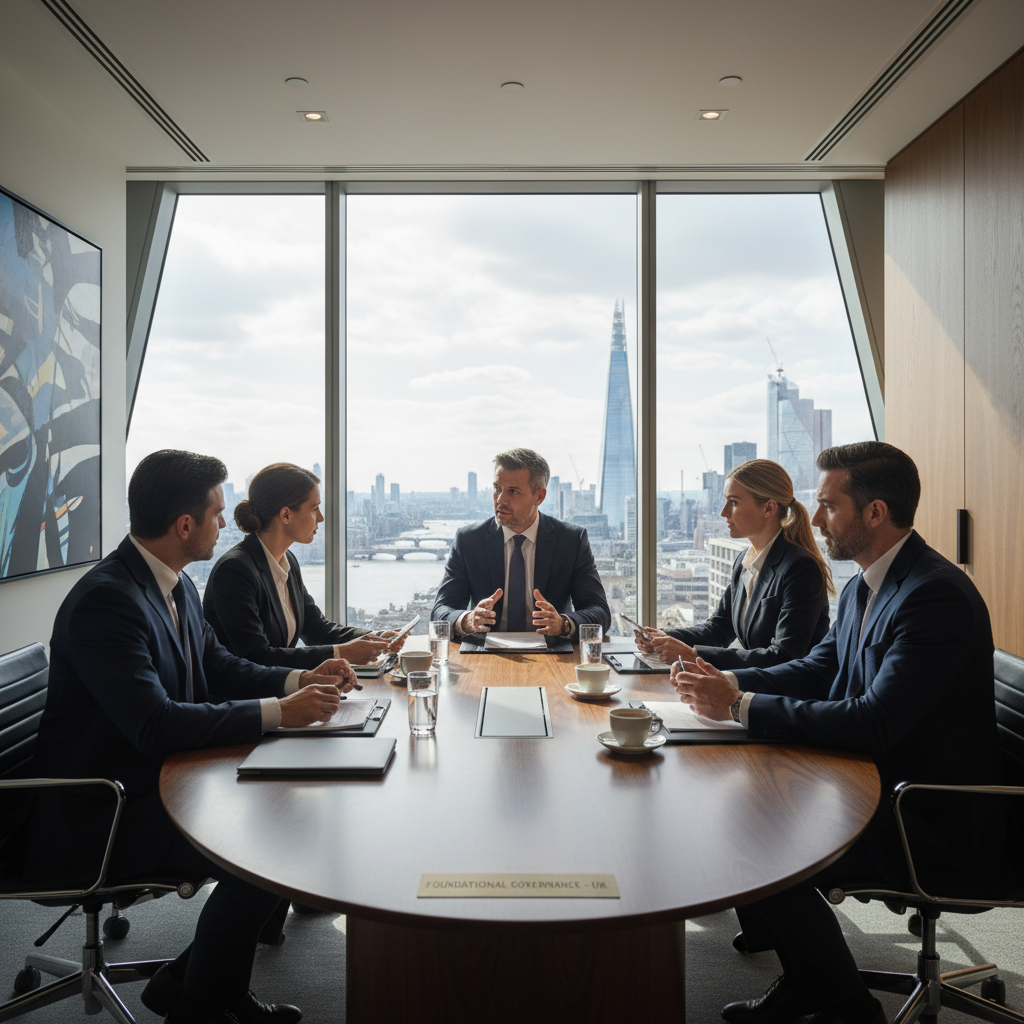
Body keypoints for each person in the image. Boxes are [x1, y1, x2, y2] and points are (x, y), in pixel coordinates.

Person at [670, 442, 1008, 1024]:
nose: (815, 518)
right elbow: (818, 668)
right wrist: (726, 680)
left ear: (874, 513)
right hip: (873, 778)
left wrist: (742, 704)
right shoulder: (865, 584)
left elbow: (875, 721)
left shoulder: (933, 596)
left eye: (828, 505)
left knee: (753, 839)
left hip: (927, 811)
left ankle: (842, 1002)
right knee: (740, 810)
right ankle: (815, 983)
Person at [24, 450, 358, 1024]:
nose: (226, 524)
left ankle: (194, 984)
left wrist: (302, 677)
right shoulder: (109, 600)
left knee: (291, 812)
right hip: (99, 806)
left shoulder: (172, 584)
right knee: (266, 844)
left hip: (156, 776)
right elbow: (154, 723)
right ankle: (199, 1006)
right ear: (185, 525)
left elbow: (221, 666)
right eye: (217, 513)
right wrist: (281, 712)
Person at [204, 462, 404, 670]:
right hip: (245, 699)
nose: (321, 518)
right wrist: (341, 653)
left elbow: (316, 628)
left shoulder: (287, 560)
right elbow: (257, 657)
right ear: (286, 515)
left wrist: (375, 638)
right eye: (315, 508)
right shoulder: (235, 571)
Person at [635, 459, 832, 669]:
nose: (723, 512)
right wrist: (663, 639)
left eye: (734, 502)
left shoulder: (799, 568)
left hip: (788, 695)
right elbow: (719, 628)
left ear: (768, 508)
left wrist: (693, 655)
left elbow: (783, 657)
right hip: (753, 687)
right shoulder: (744, 560)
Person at [431, 448, 611, 639]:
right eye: (497, 488)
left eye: (513, 491)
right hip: (485, 655)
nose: (500, 500)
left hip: (553, 657)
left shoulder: (571, 540)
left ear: (539, 497)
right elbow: (440, 612)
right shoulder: (469, 540)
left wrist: (563, 624)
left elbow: (599, 611)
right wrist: (466, 620)